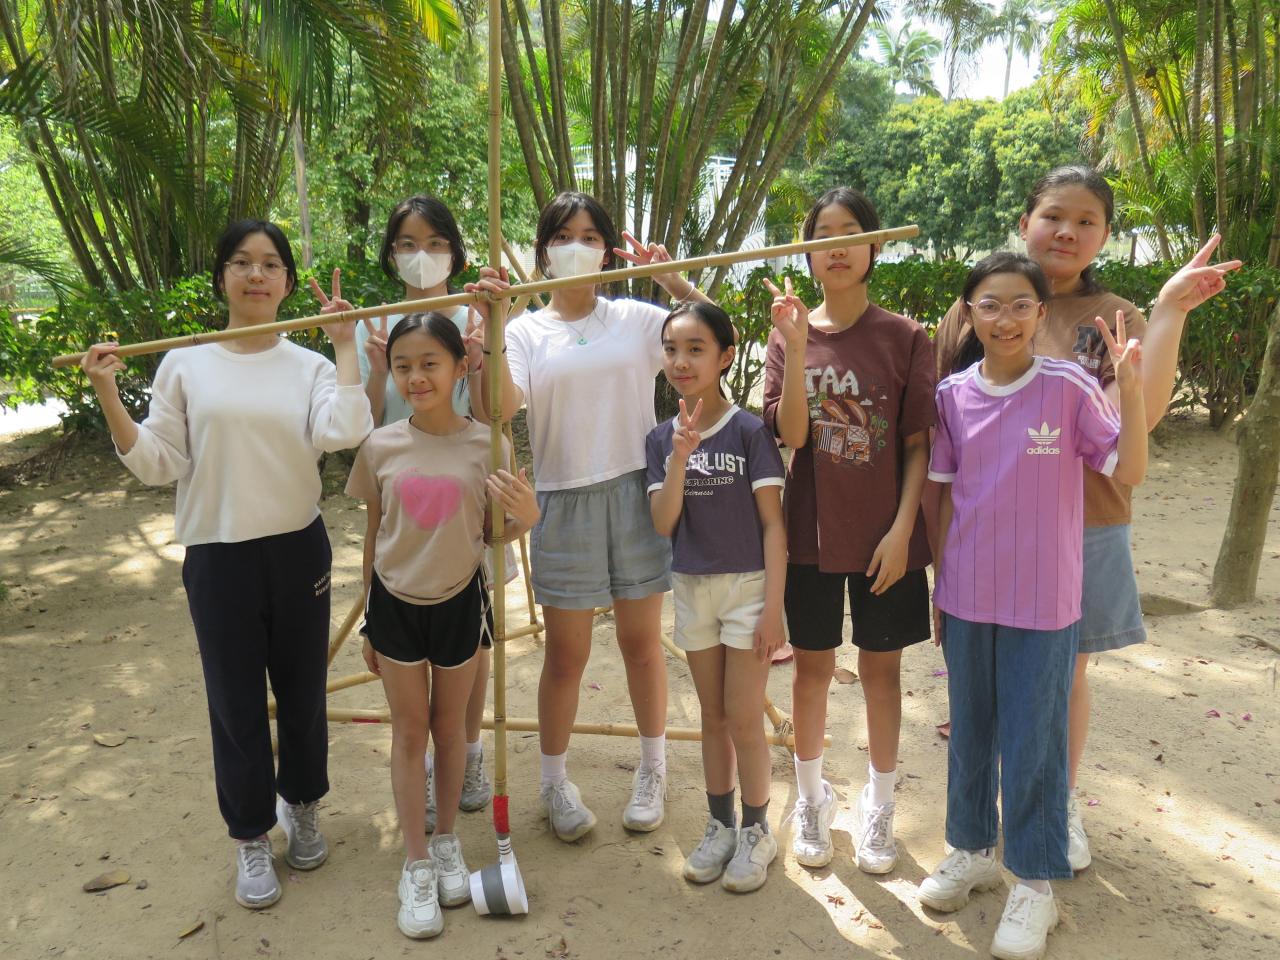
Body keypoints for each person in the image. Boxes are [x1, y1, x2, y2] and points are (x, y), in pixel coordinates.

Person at [932, 166, 1240, 870]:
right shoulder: (976, 306)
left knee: (1063, 671)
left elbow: (1140, 418)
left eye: (1086, 221)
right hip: (986, 533)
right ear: (1025, 223)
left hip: (1086, 522)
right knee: (983, 685)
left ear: (1104, 235)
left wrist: (1169, 311)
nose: (1066, 232)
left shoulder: (1114, 315)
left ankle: (1057, 804)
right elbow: (946, 418)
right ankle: (978, 831)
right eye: (1052, 216)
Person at [79, 220, 374, 910]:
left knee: (302, 692)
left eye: (271, 264)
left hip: (297, 547)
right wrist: (108, 394)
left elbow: (342, 430)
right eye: (242, 262)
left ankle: (303, 804)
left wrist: (344, 346)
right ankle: (250, 835)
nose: (256, 274)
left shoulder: (310, 367)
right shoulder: (186, 364)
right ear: (222, 278)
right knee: (234, 701)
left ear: (288, 282)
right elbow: (160, 462)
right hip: (218, 556)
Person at [920, 251, 1147, 960]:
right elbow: (943, 495)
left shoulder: (1069, 386)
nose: (1006, 318)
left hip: (1045, 603)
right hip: (967, 595)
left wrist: (1130, 387)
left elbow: (1130, 469)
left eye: (1021, 304)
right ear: (970, 314)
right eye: (990, 305)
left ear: (1041, 313)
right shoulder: (952, 395)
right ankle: (971, 851)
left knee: (1034, 742)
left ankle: (1036, 886)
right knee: (971, 732)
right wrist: (940, 589)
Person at [475, 190, 713, 841]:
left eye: (588, 236)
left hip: (636, 489)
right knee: (566, 655)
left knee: (642, 645)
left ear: (607, 250)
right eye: (562, 236)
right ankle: (554, 782)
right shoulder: (524, 332)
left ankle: (653, 769)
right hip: (563, 499)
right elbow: (498, 407)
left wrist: (675, 282)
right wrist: (492, 329)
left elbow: (713, 341)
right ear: (543, 251)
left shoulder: (636, 318)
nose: (575, 247)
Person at [344, 311, 538, 938]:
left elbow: (495, 533)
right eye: (403, 366)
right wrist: (368, 617)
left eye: (430, 363)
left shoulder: (490, 444)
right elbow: (374, 533)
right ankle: (417, 862)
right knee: (410, 732)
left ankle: (448, 839)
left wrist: (528, 517)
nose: (416, 377)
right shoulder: (379, 445)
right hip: (394, 604)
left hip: (460, 602)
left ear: (460, 367)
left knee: (451, 730)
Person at [762, 187, 935, 873]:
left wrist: (902, 530)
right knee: (810, 670)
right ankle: (812, 799)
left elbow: (918, 445)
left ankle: (880, 804)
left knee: (880, 671)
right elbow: (794, 435)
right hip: (809, 534)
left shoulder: (906, 338)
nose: (836, 246)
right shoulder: (787, 334)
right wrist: (798, 346)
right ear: (807, 253)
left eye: (850, 232)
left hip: (885, 539)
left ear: (875, 245)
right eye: (822, 235)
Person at [322, 194, 501, 834]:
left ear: (455, 250)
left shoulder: (477, 313)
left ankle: (467, 755)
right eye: (405, 244)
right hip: (401, 501)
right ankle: (425, 768)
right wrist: (371, 366)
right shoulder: (375, 323)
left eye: (433, 243)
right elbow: (362, 422)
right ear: (390, 253)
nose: (420, 255)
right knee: (407, 659)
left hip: (464, 498)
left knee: (474, 642)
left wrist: (491, 341)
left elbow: (494, 415)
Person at [645, 301, 786, 893]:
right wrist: (679, 457)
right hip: (692, 587)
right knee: (712, 716)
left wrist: (774, 607)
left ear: (725, 357)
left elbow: (773, 525)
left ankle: (757, 830)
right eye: (672, 349)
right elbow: (663, 523)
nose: (681, 361)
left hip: (748, 588)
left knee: (743, 716)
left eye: (696, 349)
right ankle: (720, 825)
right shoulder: (660, 439)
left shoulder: (749, 431)